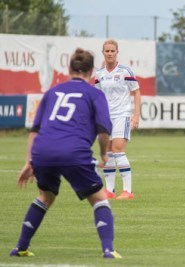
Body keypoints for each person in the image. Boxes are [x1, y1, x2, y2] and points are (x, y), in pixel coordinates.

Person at [10, 48, 121, 259]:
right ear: (91, 72)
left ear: (69, 68)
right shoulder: (95, 94)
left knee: (45, 196)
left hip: (42, 151)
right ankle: (108, 250)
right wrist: (104, 154)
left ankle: (20, 247)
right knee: (99, 199)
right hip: (74, 152)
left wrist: (29, 161)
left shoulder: (52, 92)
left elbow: (34, 132)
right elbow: (104, 131)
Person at [95, 39, 141, 200]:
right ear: (103, 53)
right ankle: (109, 190)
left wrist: (135, 115)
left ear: (117, 52)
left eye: (112, 51)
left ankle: (128, 191)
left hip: (122, 114)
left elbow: (136, 92)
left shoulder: (125, 71)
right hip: (105, 118)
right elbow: (97, 97)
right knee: (107, 152)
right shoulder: (99, 74)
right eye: (107, 51)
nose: (109, 53)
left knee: (118, 149)